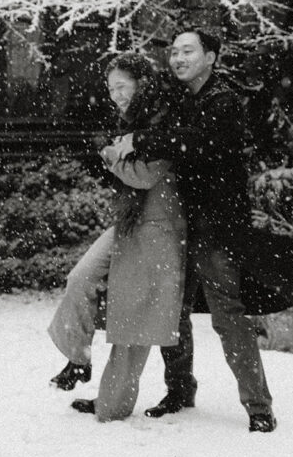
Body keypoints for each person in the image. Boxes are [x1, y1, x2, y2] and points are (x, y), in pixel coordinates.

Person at [115, 25, 277, 433]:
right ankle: (180, 388)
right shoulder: (174, 99)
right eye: (174, 51)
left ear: (211, 57)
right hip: (178, 220)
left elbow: (197, 143)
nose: (179, 58)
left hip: (217, 223)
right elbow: (157, 129)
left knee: (227, 313)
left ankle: (258, 405)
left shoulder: (224, 101)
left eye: (189, 51)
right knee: (174, 309)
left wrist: (147, 140)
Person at [47, 53, 187, 422]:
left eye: (122, 86)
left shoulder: (164, 119)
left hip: (159, 227)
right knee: (80, 277)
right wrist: (117, 150)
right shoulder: (132, 122)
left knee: (133, 319)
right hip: (130, 221)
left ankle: (113, 404)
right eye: (111, 89)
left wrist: (111, 153)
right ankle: (78, 359)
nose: (115, 96)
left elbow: (145, 175)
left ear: (142, 83)